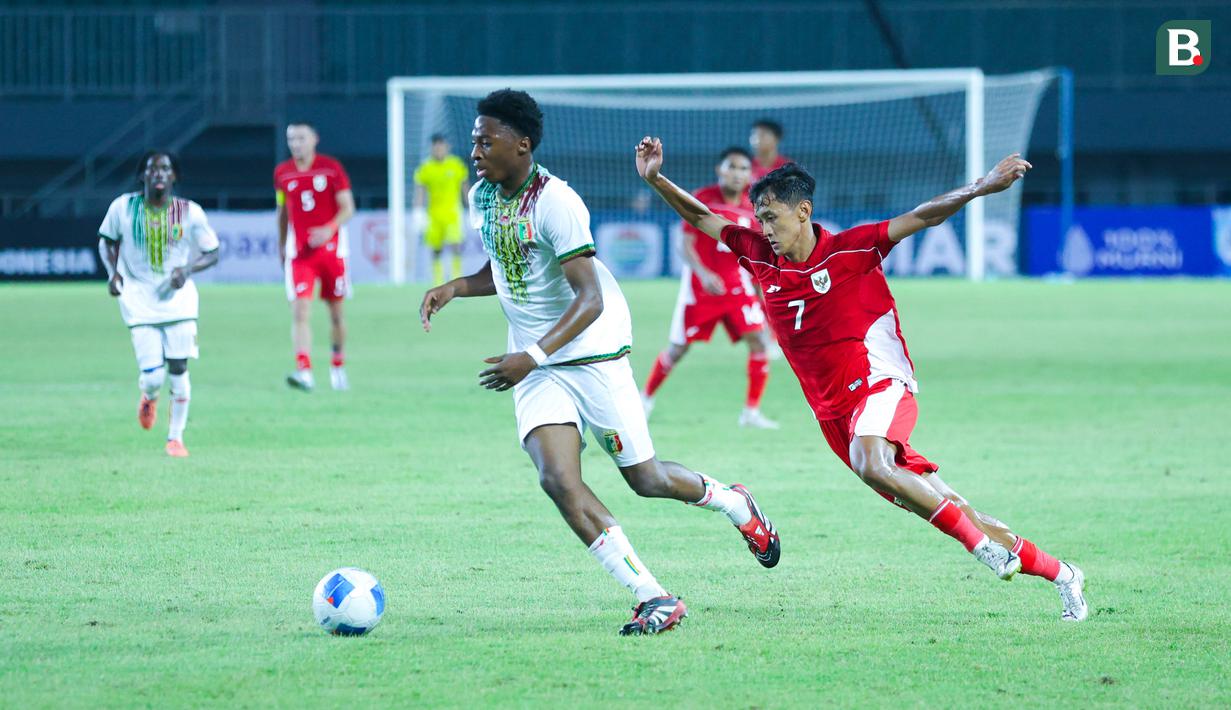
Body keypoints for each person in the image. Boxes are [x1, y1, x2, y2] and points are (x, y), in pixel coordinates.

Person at [636, 136, 1089, 622]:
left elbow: (923, 216)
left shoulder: (851, 249)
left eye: (772, 218)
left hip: (880, 383)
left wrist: (980, 187)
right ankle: (1063, 574)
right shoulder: (756, 255)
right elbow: (702, 217)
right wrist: (656, 179)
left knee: (872, 461)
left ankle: (981, 549)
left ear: (803, 211)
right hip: (833, 414)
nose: (763, 228)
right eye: (760, 219)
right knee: (946, 503)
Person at [419, 90, 781, 636]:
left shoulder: (558, 202)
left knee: (646, 479)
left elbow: (590, 298)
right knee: (557, 477)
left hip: (591, 351)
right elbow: (508, 266)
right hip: (536, 360)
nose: (475, 150)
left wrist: (531, 356)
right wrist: (455, 287)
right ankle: (653, 596)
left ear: (521, 145)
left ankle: (734, 502)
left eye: (484, 140)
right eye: (474, 140)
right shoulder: (482, 197)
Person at [641, 146, 777, 429]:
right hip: (701, 289)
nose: (738, 173)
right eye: (732, 167)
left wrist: (762, 291)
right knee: (678, 349)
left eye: (743, 168)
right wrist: (703, 274)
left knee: (759, 342)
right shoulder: (703, 198)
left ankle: (751, 412)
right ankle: (645, 399)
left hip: (737, 287)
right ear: (720, 170)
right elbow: (685, 243)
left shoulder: (754, 206)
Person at [98, 151, 219, 458]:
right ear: (143, 176)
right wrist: (113, 274)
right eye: (152, 169)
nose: (159, 174)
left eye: (165, 169)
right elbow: (106, 241)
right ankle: (149, 396)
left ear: (174, 176)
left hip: (178, 300)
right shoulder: (123, 208)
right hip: (138, 298)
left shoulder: (190, 212)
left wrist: (188, 270)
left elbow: (212, 251)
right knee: (153, 375)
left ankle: (175, 439)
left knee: (179, 368)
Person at [275, 121, 356, 392]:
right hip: (300, 255)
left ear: (314, 139)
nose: (296, 144)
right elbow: (283, 212)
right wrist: (281, 245)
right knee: (300, 311)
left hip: (333, 253)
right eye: (291, 139)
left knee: (336, 314)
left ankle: (337, 365)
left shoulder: (331, 168)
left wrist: (328, 229)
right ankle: (304, 371)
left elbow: (347, 208)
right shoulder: (282, 173)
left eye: (301, 138)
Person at [414, 133, 471, 285]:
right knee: (436, 249)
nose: (438, 149)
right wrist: (418, 212)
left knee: (455, 246)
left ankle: (456, 280)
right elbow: (420, 191)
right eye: (435, 146)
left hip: (453, 214)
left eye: (441, 145)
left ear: (447, 147)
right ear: (432, 148)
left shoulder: (456, 165)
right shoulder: (425, 168)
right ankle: (438, 281)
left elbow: (465, 188)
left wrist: (471, 208)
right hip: (433, 215)